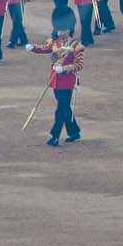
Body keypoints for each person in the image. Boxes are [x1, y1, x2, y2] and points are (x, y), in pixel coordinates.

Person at [29, 8, 85, 147]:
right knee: (65, 108)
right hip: (55, 81)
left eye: (63, 30)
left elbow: (79, 65)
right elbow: (44, 48)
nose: (60, 33)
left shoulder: (76, 46)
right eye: (59, 30)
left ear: (69, 30)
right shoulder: (55, 43)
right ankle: (74, 131)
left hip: (68, 82)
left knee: (60, 110)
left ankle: (55, 135)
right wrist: (33, 47)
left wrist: (64, 69)